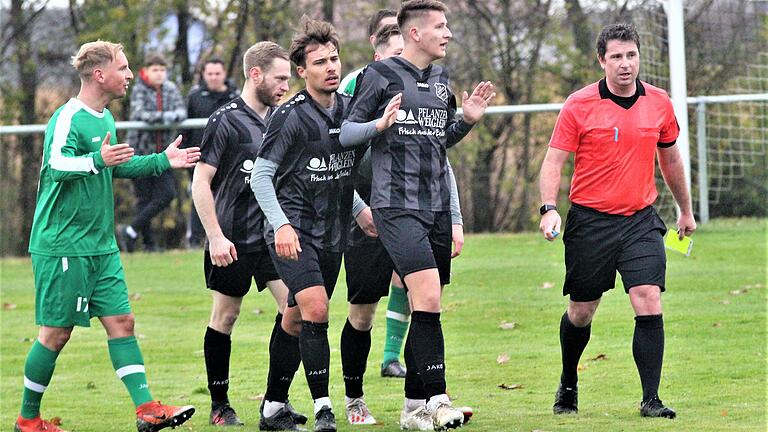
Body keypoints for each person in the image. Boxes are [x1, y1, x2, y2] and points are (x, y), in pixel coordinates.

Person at [16, 40, 200, 432]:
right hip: (63, 244)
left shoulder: (105, 119)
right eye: (124, 68)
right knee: (55, 334)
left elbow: (116, 166)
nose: (131, 75)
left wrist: (161, 161)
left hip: (101, 245)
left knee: (122, 322)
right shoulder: (68, 117)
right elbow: (57, 164)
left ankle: (147, 410)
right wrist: (98, 159)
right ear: (100, 74)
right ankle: (27, 420)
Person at [340, 1, 495, 429]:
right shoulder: (379, 76)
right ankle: (437, 397)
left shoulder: (442, 80)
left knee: (425, 304)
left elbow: (438, 140)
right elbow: (345, 133)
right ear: (414, 33)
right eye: (440, 26)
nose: (447, 33)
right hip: (393, 206)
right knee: (415, 300)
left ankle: (413, 409)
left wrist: (466, 120)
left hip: (434, 209)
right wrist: (377, 126)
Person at [538, 22, 696, 419]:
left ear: (639, 57)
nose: (625, 65)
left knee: (648, 298)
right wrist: (548, 207)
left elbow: (671, 159)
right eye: (616, 57)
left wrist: (686, 209)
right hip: (590, 222)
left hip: (640, 220)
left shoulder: (659, 103)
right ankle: (568, 382)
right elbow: (554, 160)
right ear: (601, 61)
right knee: (582, 310)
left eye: (631, 55)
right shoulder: (579, 104)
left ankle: (651, 399)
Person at [251, 16, 365, 432]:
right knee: (317, 310)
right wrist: (280, 225)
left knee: (296, 319)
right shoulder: (290, 116)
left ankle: (272, 408)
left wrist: (359, 210)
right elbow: (261, 177)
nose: (331, 67)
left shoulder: (351, 110)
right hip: (292, 232)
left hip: (334, 232)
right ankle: (324, 410)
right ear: (302, 71)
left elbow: (336, 173)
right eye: (320, 62)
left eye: (334, 59)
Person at [191, 42, 307, 428]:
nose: (284, 86)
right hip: (233, 237)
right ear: (255, 74)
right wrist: (215, 236)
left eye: (288, 80)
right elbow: (200, 182)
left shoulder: (284, 118)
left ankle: (275, 403)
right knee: (226, 315)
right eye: (279, 78)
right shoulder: (225, 120)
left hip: (273, 237)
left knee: (297, 311)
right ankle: (220, 405)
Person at [120, 53, 187, 252]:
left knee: (167, 194)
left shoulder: (171, 89)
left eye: (162, 70)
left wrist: (160, 118)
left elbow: (181, 113)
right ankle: (148, 244)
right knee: (144, 198)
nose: (159, 74)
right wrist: (167, 118)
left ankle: (130, 231)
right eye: (155, 70)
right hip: (140, 152)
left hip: (165, 154)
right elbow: (141, 114)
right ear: (146, 71)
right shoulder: (139, 89)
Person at [185, 58, 240, 248]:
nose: (214, 78)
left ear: (224, 74)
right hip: (202, 157)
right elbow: (186, 129)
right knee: (199, 192)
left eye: (217, 74)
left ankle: (228, 236)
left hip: (229, 156)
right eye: (210, 74)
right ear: (203, 75)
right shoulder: (194, 96)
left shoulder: (235, 96)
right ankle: (195, 240)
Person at [338, 9, 398, 97]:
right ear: (374, 40)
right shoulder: (353, 81)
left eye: (399, 30)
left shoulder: (420, 79)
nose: (396, 35)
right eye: (389, 31)